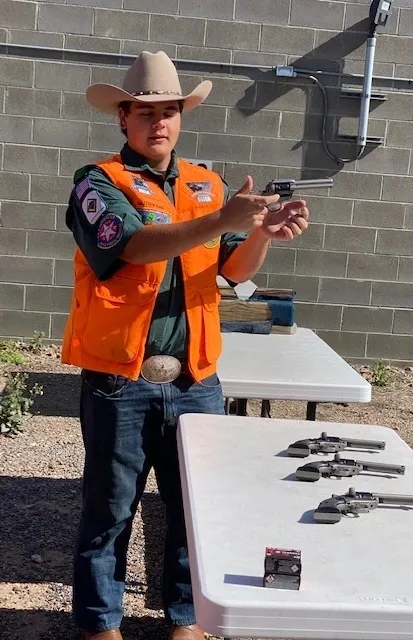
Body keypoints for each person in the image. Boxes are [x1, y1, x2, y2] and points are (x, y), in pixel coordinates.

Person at [61, 50, 309, 640]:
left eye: (170, 111)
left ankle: (185, 619)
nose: (159, 122)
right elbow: (137, 246)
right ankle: (100, 626)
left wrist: (260, 235)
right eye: (145, 112)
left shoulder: (207, 184)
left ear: (181, 117)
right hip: (121, 382)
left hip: (196, 382)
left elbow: (232, 272)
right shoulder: (97, 184)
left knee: (195, 514)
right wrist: (223, 217)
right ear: (123, 118)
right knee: (109, 513)